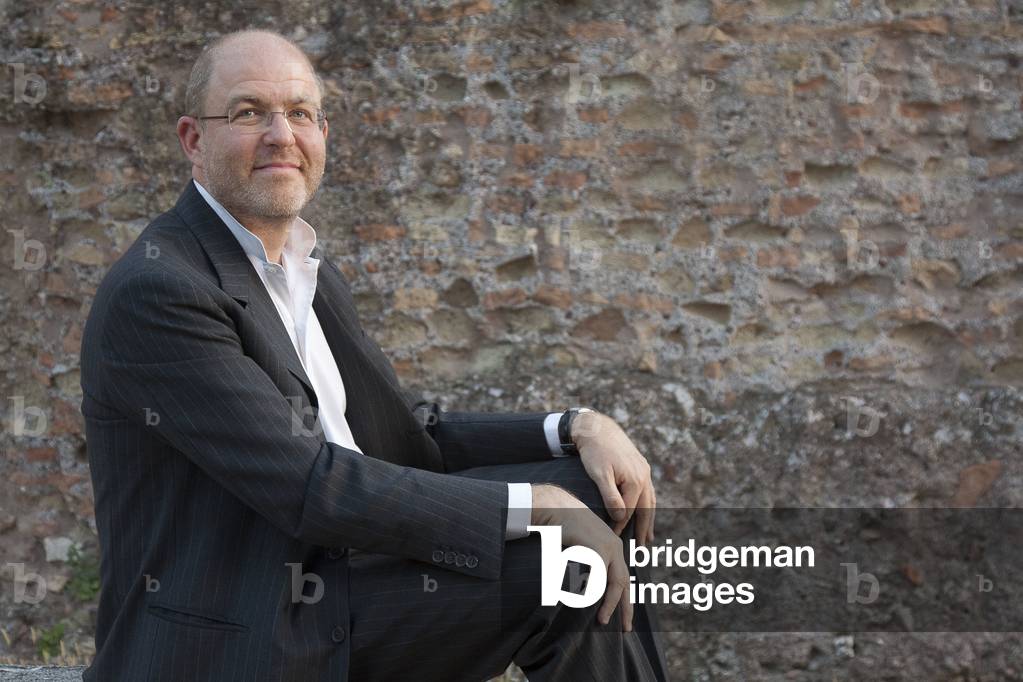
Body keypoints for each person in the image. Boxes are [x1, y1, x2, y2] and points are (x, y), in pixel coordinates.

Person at [78, 28, 669, 681]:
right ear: (194, 140)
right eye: (249, 113)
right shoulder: (161, 292)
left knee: (600, 493)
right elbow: (311, 485)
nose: (281, 135)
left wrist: (575, 428)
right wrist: (538, 508)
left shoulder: (304, 271)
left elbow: (402, 438)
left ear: (322, 133)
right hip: (244, 635)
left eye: (300, 113)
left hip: (343, 582)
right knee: (559, 560)